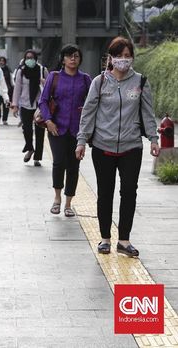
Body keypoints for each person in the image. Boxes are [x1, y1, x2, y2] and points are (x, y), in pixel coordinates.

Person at [75, 37, 160, 257]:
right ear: (110, 58)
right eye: (119, 55)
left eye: (127, 55)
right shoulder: (100, 82)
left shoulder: (140, 82)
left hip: (131, 146)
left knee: (129, 192)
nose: (124, 60)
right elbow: (88, 112)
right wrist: (81, 140)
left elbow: (148, 113)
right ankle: (105, 239)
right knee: (105, 193)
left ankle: (124, 240)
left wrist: (153, 138)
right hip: (103, 146)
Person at [38, 44, 91, 218]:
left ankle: (69, 203)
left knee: (74, 165)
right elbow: (43, 101)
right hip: (57, 128)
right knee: (59, 162)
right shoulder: (54, 77)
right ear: (63, 59)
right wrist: (48, 120)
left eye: (76, 56)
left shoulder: (85, 79)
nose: (73, 59)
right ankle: (57, 197)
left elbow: (92, 103)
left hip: (78, 130)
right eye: (69, 56)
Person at [12, 50, 47, 166]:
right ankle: (30, 148)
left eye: (31, 58)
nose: (29, 60)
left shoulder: (42, 70)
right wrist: (15, 105)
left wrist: (44, 82)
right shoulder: (21, 71)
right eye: (27, 58)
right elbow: (17, 88)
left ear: (36, 59)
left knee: (39, 131)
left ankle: (37, 157)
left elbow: (51, 85)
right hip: (25, 103)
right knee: (26, 129)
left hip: (39, 104)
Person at [0, 56, 14, 125]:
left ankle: (5, 119)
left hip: (6, 90)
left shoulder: (8, 69)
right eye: (0, 61)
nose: (1, 62)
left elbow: (11, 80)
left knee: (6, 105)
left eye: (3, 61)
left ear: (5, 62)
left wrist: (13, 88)